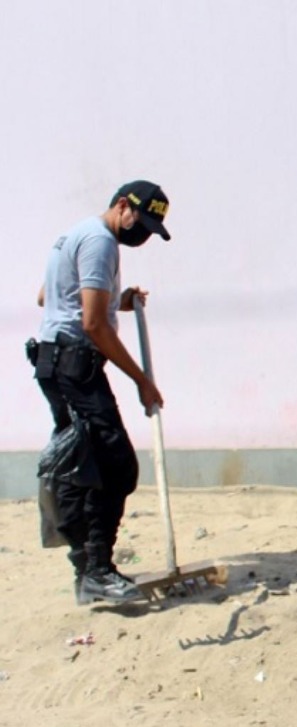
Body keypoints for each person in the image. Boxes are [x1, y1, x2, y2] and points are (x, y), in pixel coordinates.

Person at [32, 180, 171, 606]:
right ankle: (96, 572)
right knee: (116, 466)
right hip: (75, 366)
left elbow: (48, 297)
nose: (141, 234)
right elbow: (93, 325)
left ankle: (88, 571)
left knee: (85, 465)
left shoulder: (73, 235)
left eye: (151, 229)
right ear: (121, 205)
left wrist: (118, 300)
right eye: (141, 222)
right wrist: (140, 379)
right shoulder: (101, 242)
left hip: (55, 362)